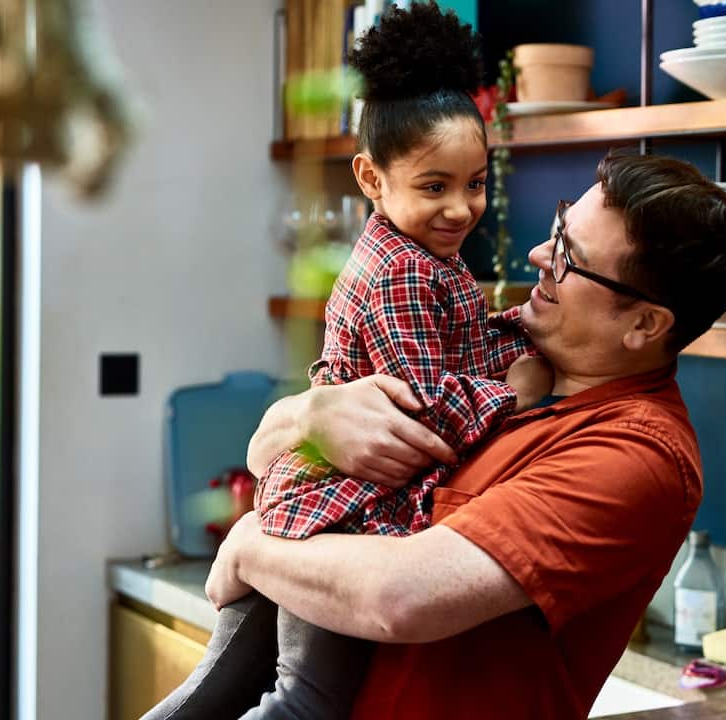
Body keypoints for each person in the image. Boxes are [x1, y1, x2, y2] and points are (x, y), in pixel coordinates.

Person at [204, 150, 726, 719]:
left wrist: (251, 545)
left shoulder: (637, 455)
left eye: (572, 256)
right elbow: (261, 452)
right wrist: (308, 416)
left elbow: (399, 599)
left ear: (645, 324)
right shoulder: (500, 352)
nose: (540, 255)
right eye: (558, 229)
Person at [143, 5, 553, 719]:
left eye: (476, 184)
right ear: (371, 176)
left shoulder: (428, 259)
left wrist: (519, 335)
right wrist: (515, 393)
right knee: (307, 705)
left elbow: (461, 347)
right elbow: (424, 404)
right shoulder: (402, 272)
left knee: (217, 693)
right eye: (435, 186)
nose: (462, 208)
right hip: (339, 521)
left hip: (311, 508)